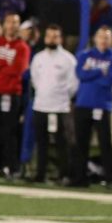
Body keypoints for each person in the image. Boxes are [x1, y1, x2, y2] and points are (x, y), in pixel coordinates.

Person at [28, 25, 79, 185]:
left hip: (60, 107)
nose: (52, 39)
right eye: (49, 36)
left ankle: (64, 174)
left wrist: (61, 97)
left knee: (62, 143)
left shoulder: (68, 59)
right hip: (40, 105)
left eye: (55, 36)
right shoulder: (39, 58)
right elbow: (35, 79)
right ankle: (40, 174)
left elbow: (73, 84)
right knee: (41, 142)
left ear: (61, 38)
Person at [0, 13, 30, 179]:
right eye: (9, 21)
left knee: (9, 132)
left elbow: (18, 69)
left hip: (11, 94)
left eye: (15, 22)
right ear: (4, 24)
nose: (12, 25)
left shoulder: (22, 47)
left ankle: (10, 166)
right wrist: (4, 63)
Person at [74, 27, 112, 187]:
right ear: (95, 38)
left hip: (101, 105)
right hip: (83, 104)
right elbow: (80, 74)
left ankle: (109, 178)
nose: (103, 40)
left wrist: (91, 73)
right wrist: (100, 72)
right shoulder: (85, 55)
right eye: (101, 36)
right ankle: (79, 177)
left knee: (105, 142)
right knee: (81, 142)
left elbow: (108, 81)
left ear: (111, 40)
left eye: (107, 37)